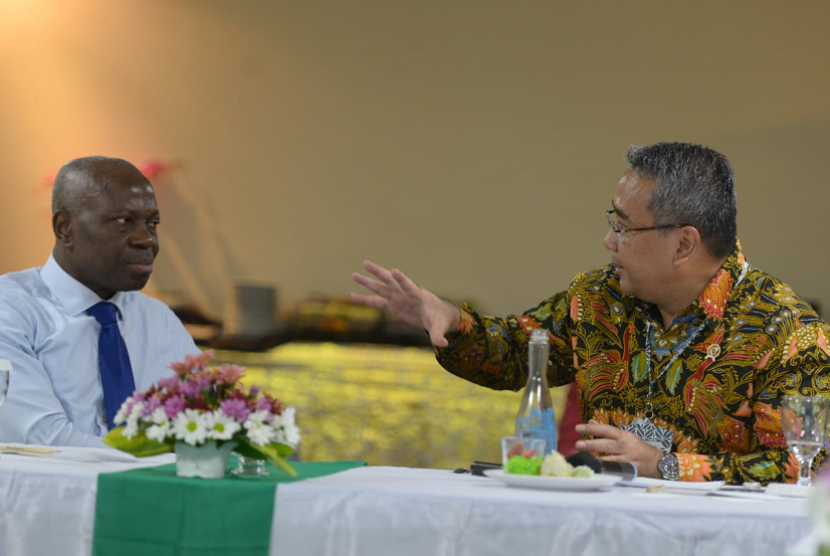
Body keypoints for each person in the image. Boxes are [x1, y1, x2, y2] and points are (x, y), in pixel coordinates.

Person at [352, 142, 830, 484]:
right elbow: (518, 353)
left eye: (623, 227)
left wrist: (664, 464)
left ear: (684, 243)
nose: (608, 241)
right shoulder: (600, 298)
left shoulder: (787, 333)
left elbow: (799, 467)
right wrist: (454, 320)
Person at [0, 156, 201, 447]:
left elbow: (212, 426)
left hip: (155, 489)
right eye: (123, 221)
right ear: (64, 228)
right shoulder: (11, 309)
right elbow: (47, 442)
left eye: (152, 223)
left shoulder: (158, 320)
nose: (147, 239)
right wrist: (155, 466)